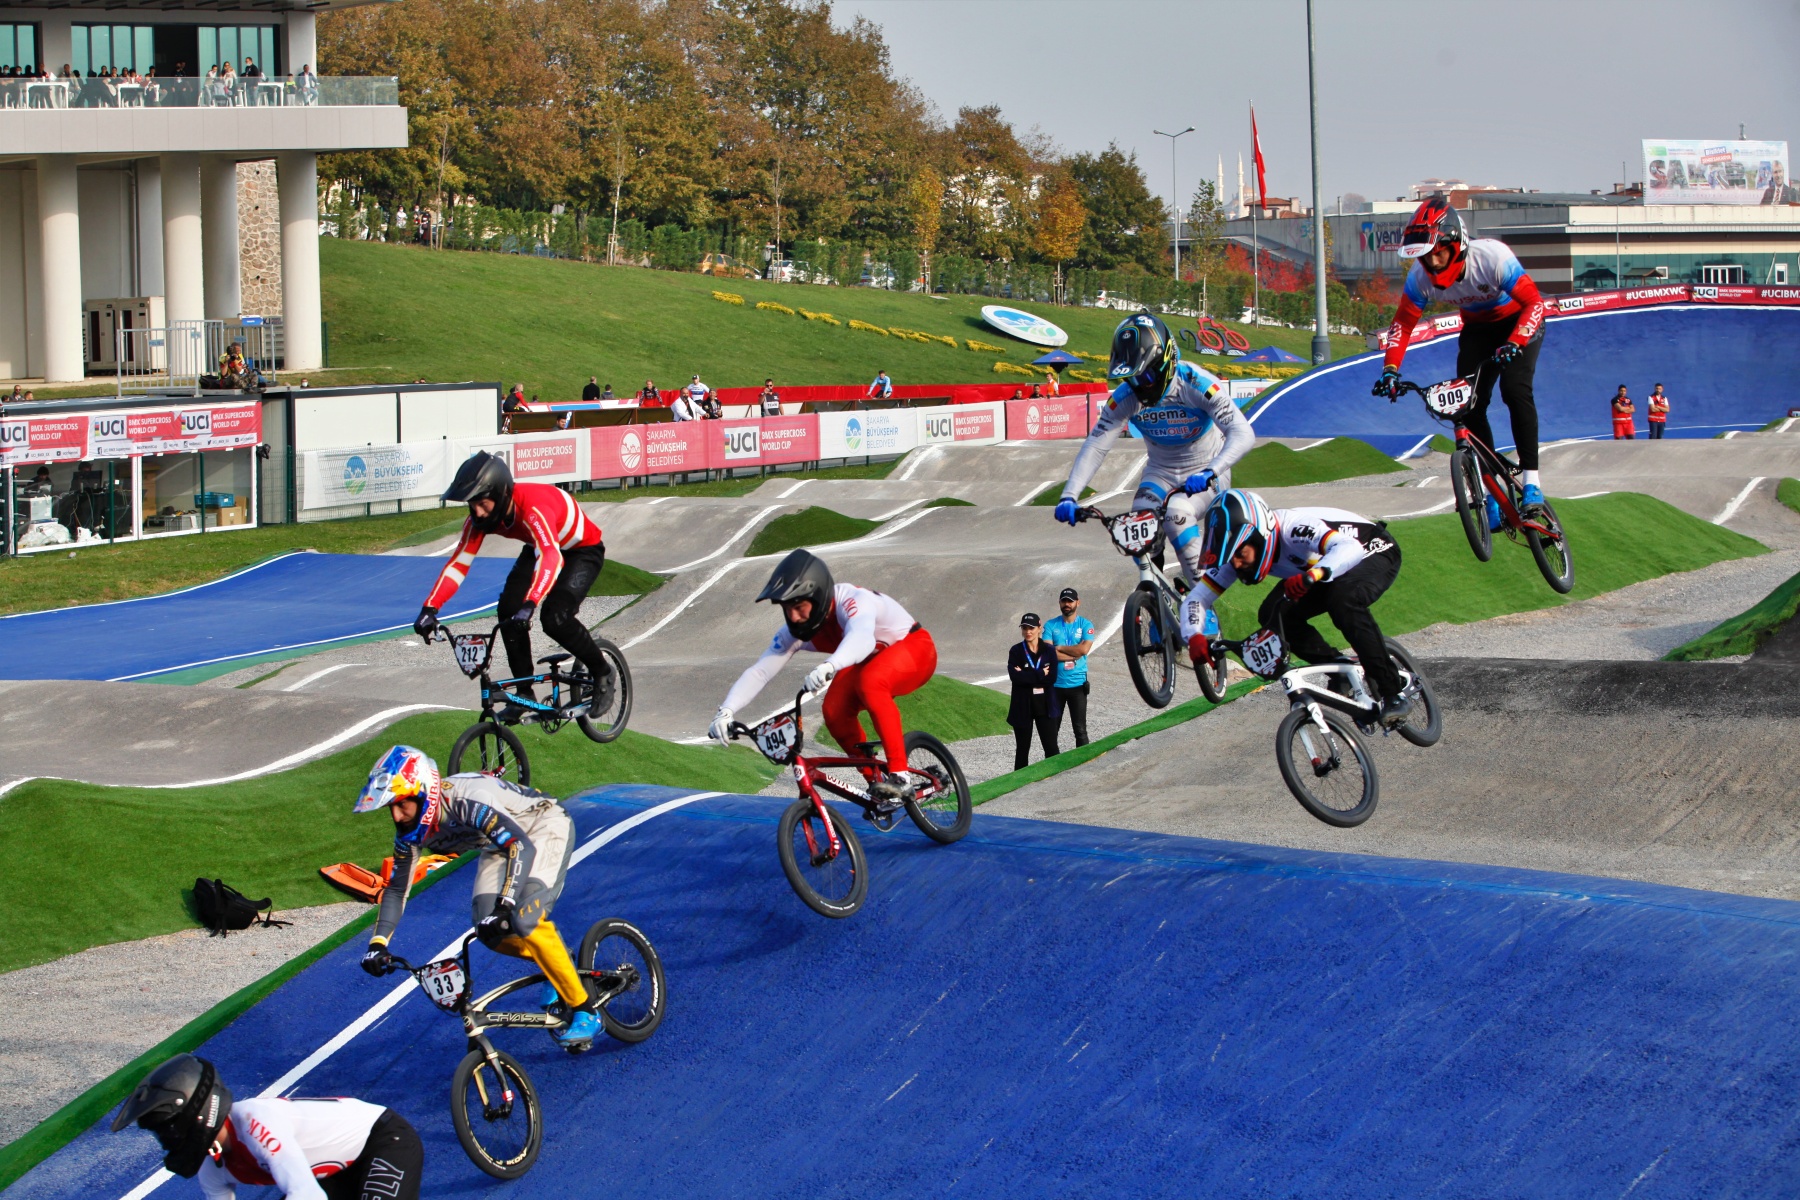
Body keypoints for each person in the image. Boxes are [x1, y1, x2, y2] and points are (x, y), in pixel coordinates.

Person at [355, 746, 601, 1050]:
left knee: (523, 917)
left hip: (541, 827)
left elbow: (521, 846)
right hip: (500, 845)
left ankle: (585, 1010)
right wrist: (377, 944)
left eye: (401, 804)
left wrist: (506, 904)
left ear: (424, 794)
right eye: (390, 807)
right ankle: (557, 960)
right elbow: (395, 890)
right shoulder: (409, 832)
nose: (396, 815)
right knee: (487, 929)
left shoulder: (466, 800)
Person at [1373, 193, 1550, 525]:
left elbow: (1535, 304)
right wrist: (1390, 370)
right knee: (1469, 406)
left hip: (1520, 323)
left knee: (1514, 391)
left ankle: (1532, 484)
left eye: (1439, 254)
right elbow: (1402, 325)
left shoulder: (1492, 258)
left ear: (1456, 245)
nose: (1434, 263)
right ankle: (1492, 494)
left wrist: (1515, 342)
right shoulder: (1420, 278)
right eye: (1428, 257)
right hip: (1478, 330)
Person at [709, 549, 937, 805]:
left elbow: (862, 637)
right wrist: (726, 711)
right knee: (833, 711)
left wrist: (830, 665)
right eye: (787, 609)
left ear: (817, 597)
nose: (793, 617)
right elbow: (760, 671)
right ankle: (875, 783)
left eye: (798, 607)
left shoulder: (852, 600)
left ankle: (899, 775)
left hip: (915, 647)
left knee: (871, 682)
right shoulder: (793, 632)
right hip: (871, 658)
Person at [1053, 311, 1254, 588]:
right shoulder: (1126, 397)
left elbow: (1243, 433)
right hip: (1160, 472)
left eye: (1145, 376)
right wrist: (1069, 496)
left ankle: (1202, 603)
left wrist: (1212, 470)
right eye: (1131, 379)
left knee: (1177, 517)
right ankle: (1156, 600)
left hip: (1205, 472)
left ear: (1165, 362)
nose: (1138, 386)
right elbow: (1097, 445)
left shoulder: (1196, 383)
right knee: (1136, 528)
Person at [1181, 489, 1411, 724]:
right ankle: (1338, 668)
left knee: (1343, 601)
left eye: (1241, 554)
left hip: (1369, 548)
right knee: (1273, 613)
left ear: (1260, 537)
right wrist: (1194, 636)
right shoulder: (1239, 554)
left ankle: (1393, 692)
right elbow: (1196, 599)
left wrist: (1314, 575)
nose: (1237, 564)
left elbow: (1349, 548)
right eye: (1232, 558)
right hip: (1325, 569)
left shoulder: (1294, 528)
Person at [415, 451, 613, 721]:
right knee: (508, 611)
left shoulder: (532, 506)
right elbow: (458, 565)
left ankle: (602, 672)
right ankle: (524, 695)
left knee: (554, 617)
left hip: (581, 551)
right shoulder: (480, 520)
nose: (477, 512)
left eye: (482, 503)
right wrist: (429, 608)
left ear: (500, 494)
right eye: (472, 505)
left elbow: (551, 556)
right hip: (539, 547)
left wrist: (531, 602)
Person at [111, 1053, 423, 1197]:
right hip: (333, 1172)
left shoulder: (255, 1122)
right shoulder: (212, 1168)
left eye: (167, 1128)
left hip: (382, 1140)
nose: (166, 1139)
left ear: (196, 1114)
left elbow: (306, 1195)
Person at [1043, 587, 1095, 749]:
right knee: (1052, 731)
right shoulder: (1051, 625)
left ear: (1077, 603)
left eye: (1070, 601)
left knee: (1080, 730)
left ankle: (1084, 765)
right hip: (1055, 686)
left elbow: (1084, 650)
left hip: (1077, 685)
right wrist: (1073, 654)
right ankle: (1051, 767)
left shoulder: (1085, 624)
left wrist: (1058, 648)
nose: (1067, 604)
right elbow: (1047, 654)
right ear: (1059, 603)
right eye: (1064, 601)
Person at [1007, 613, 1058, 769]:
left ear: (1039, 629)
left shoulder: (1049, 650)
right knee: (1022, 749)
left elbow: (1052, 678)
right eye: (1025, 628)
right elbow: (1015, 677)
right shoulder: (1016, 651)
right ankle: (1019, 785)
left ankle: (1055, 776)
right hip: (1023, 705)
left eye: (1031, 628)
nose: (1028, 631)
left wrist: (1026, 675)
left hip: (1045, 704)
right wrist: (1041, 673)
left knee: (1051, 747)